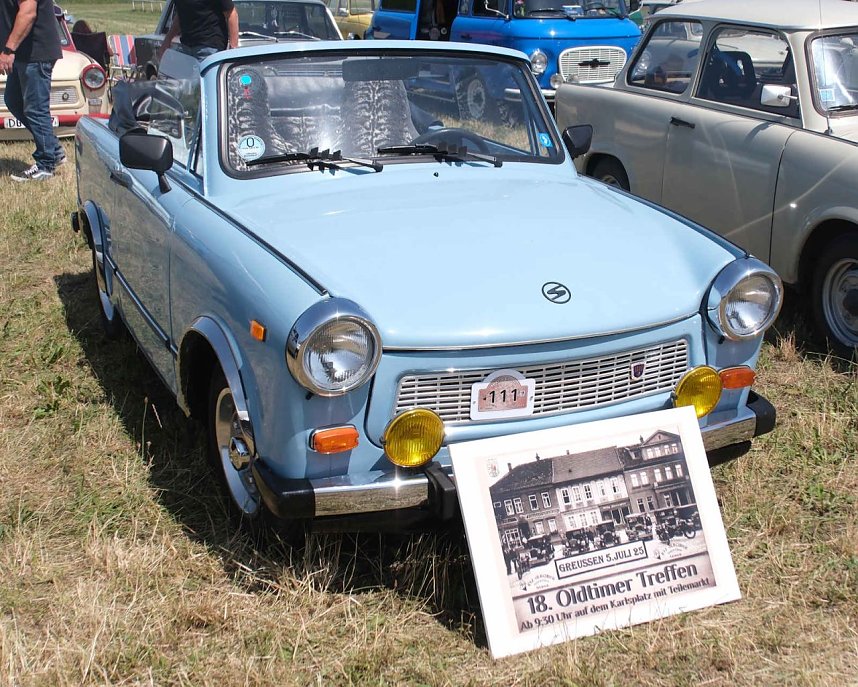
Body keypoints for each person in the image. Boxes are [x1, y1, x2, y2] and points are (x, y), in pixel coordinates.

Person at [0, 0, 65, 181]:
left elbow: (28, 12)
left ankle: (45, 164)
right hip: (24, 54)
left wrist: (8, 50)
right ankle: (53, 150)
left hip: (35, 53)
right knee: (14, 100)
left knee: (36, 109)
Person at [157, 0, 239, 63]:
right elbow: (181, 15)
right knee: (189, 84)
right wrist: (167, 41)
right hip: (187, 47)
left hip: (210, 46)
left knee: (206, 83)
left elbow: (231, 13)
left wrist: (233, 49)